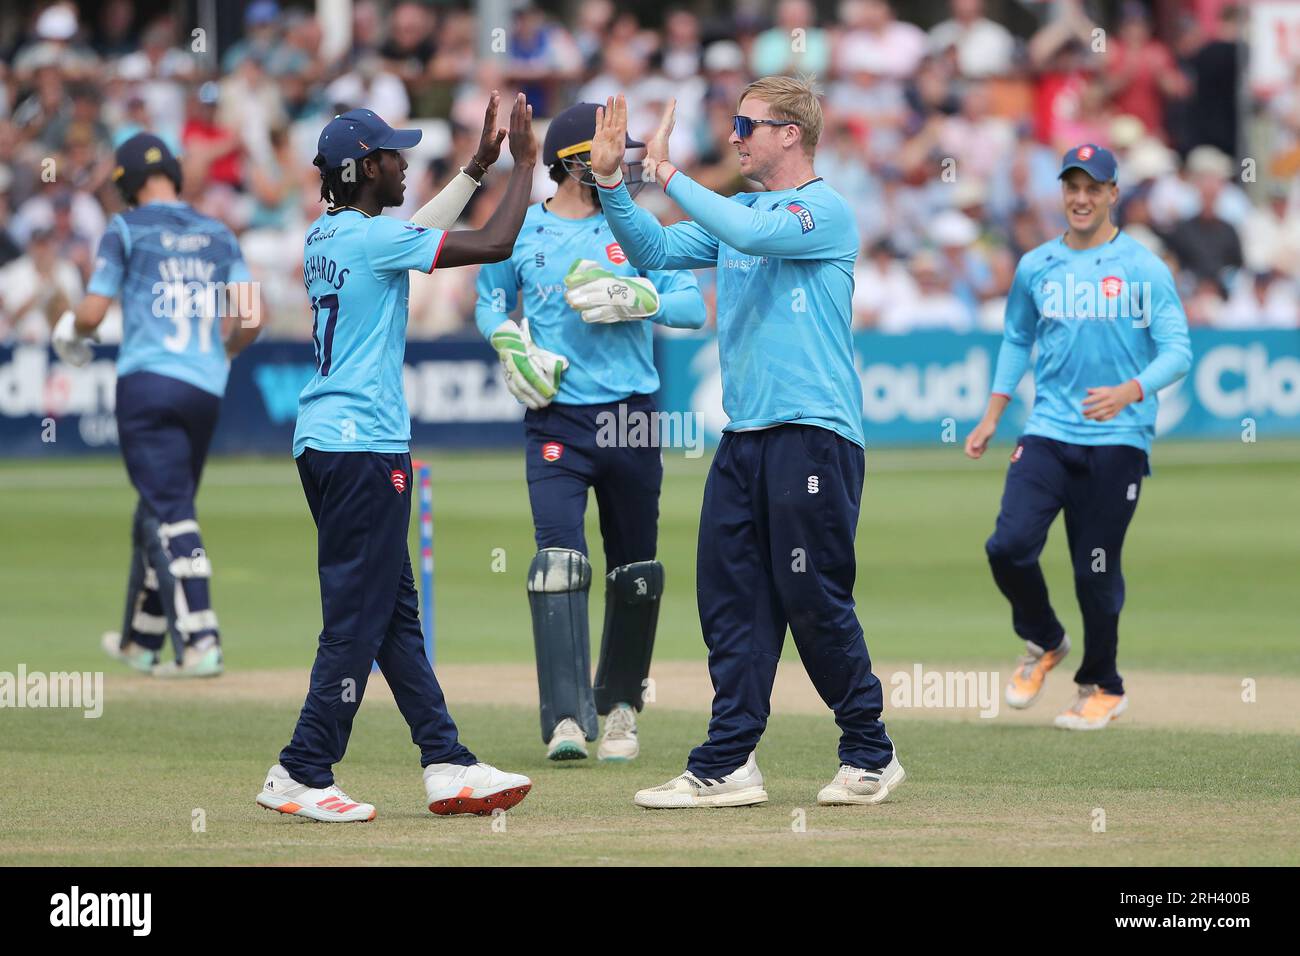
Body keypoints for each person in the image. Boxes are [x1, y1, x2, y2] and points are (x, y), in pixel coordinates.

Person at [590, 78, 905, 809]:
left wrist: (667, 173)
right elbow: (656, 250)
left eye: (746, 124)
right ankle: (729, 762)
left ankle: (869, 751)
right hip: (746, 436)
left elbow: (754, 236)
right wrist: (613, 181)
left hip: (813, 434)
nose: (734, 137)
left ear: (790, 132)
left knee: (813, 597)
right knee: (730, 601)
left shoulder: (822, 210)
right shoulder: (742, 212)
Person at [255, 94, 541, 822]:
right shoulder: (368, 241)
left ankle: (445, 762)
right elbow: (495, 244)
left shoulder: (333, 235)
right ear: (362, 169)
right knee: (358, 617)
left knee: (391, 616)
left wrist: (477, 166)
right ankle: (300, 769)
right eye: (392, 155)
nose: (405, 161)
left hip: (329, 440)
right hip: (361, 448)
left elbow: (417, 233)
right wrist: (524, 165)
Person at [474, 102, 705, 764]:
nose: (627, 164)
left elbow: (690, 303)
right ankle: (568, 719)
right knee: (558, 565)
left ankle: (623, 707)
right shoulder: (523, 230)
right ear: (576, 160)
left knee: (634, 571)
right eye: (612, 150)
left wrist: (644, 298)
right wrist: (507, 343)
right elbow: (489, 299)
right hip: (557, 417)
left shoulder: (634, 229)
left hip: (630, 415)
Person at [964, 144, 1192, 730]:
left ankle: (1103, 685)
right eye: (1073, 187)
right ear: (1061, 193)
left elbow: (1178, 352)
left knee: (1094, 566)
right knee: (1007, 546)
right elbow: (1017, 338)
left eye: (1094, 188)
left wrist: (1130, 391)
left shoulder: (1142, 267)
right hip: (1047, 432)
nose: (1082, 199)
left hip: (1119, 438)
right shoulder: (1037, 265)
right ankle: (1044, 640)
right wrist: (994, 413)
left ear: (1114, 194)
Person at [52, 133, 261, 678]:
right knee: (157, 504)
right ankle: (140, 640)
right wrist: (224, 352)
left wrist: (68, 331)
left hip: (146, 386)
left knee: (170, 510)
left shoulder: (124, 228)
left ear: (124, 186)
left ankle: (201, 641)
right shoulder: (219, 233)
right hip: (204, 388)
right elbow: (253, 316)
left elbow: (94, 314)